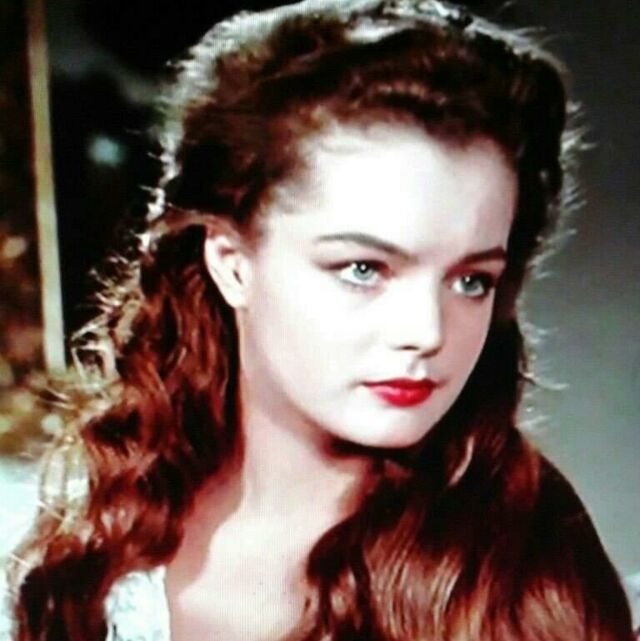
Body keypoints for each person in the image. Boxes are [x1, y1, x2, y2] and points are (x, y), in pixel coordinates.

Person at [1, 0, 634, 639]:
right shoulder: (78, 547)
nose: (427, 331)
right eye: (363, 269)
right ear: (232, 264)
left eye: (471, 281)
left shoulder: (527, 569)